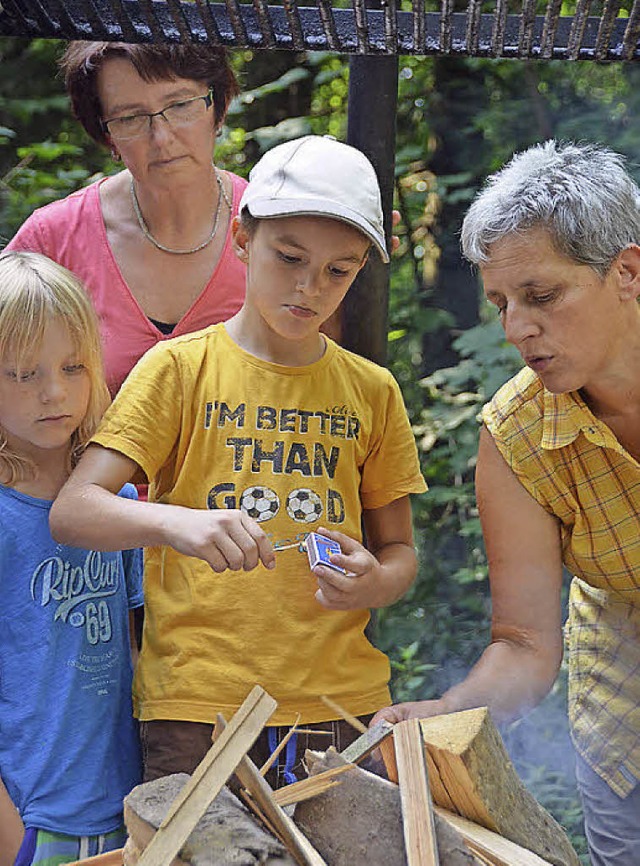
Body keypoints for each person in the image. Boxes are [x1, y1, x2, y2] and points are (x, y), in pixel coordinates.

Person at [50, 134, 427, 786]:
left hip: (341, 707)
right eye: (289, 258)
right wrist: (177, 524)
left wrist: (374, 581)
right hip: (200, 708)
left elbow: (400, 555)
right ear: (243, 240)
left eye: (339, 270)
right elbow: (74, 511)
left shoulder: (372, 391)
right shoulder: (178, 369)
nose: (310, 287)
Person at [372, 140, 640, 866]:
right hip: (628, 729)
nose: (517, 326)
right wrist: (447, 710)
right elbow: (524, 644)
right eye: (502, 303)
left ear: (627, 272)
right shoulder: (519, 432)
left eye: (542, 296)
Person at [0, 251, 144, 866]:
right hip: (32, 821)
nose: (54, 392)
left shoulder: (121, 501)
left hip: (130, 811)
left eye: (72, 366)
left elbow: (137, 651)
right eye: (21, 373)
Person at [6, 42, 244, 397]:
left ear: (218, 108)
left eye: (180, 105)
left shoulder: (275, 229)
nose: (162, 138)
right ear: (107, 136)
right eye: (130, 118)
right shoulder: (54, 240)